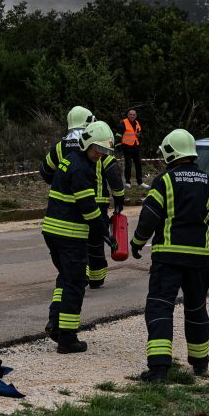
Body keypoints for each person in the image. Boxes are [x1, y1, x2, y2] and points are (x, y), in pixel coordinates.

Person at [129, 128, 209, 383]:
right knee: (196, 308)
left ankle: (159, 369)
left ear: (170, 153)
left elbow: (149, 217)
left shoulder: (164, 181)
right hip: (200, 259)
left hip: (168, 258)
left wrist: (137, 242)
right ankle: (200, 364)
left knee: (160, 308)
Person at [41, 121, 112, 353]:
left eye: (104, 152)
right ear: (87, 143)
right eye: (97, 150)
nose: (100, 155)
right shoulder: (82, 168)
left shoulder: (70, 159)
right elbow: (88, 207)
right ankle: (67, 338)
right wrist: (103, 229)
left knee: (65, 277)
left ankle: (56, 322)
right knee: (76, 283)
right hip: (69, 234)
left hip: (53, 230)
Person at [87, 121, 124, 290]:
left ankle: (84, 275)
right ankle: (96, 278)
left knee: (84, 240)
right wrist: (119, 201)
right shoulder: (106, 156)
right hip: (99, 204)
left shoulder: (82, 153)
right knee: (96, 241)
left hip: (80, 204)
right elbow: (115, 181)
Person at [41, 106, 94, 181]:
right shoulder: (94, 145)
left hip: (63, 192)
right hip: (89, 191)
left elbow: (45, 171)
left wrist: (58, 181)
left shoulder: (59, 147)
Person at [120, 109, 143, 186]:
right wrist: (118, 145)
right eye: (131, 114)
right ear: (128, 115)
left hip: (136, 146)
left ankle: (140, 182)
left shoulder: (137, 122)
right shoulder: (123, 122)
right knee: (128, 164)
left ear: (136, 116)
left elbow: (139, 132)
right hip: (127, 146)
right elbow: (119, 134)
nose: (132, 116)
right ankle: (127, 181)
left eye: (133, 115)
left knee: (138, 164)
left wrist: (139, 134)